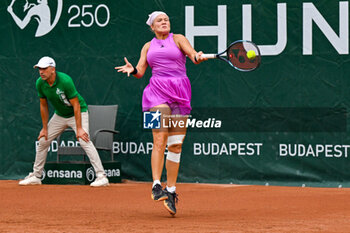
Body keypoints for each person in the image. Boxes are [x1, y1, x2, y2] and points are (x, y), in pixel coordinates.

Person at [115, 11, 206, 215]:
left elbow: (192, 56)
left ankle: (171, 191)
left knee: (176, 145)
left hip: (181, 94)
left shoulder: (179, 39)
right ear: (152, 26)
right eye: (159, 20)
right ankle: (156, 184)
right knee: (159, 139)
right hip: (155, 94)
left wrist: (197, 56)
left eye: (166, 19)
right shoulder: (148, 46)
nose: (164, 22)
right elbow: (140, 71)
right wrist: (133, 70)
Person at [19, 56, 109, 187]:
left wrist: (79, 128)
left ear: (52, 70)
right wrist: (44, 128)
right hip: (60, 115)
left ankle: (102, 177)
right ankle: (36, 176)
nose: (41, 71)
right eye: (39, 69)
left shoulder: (65, 81)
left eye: (44, 68)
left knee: (84, 140)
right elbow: (43, 105)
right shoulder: (40, 83)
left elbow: (76, 105)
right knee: (43, 140)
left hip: (77, 112)